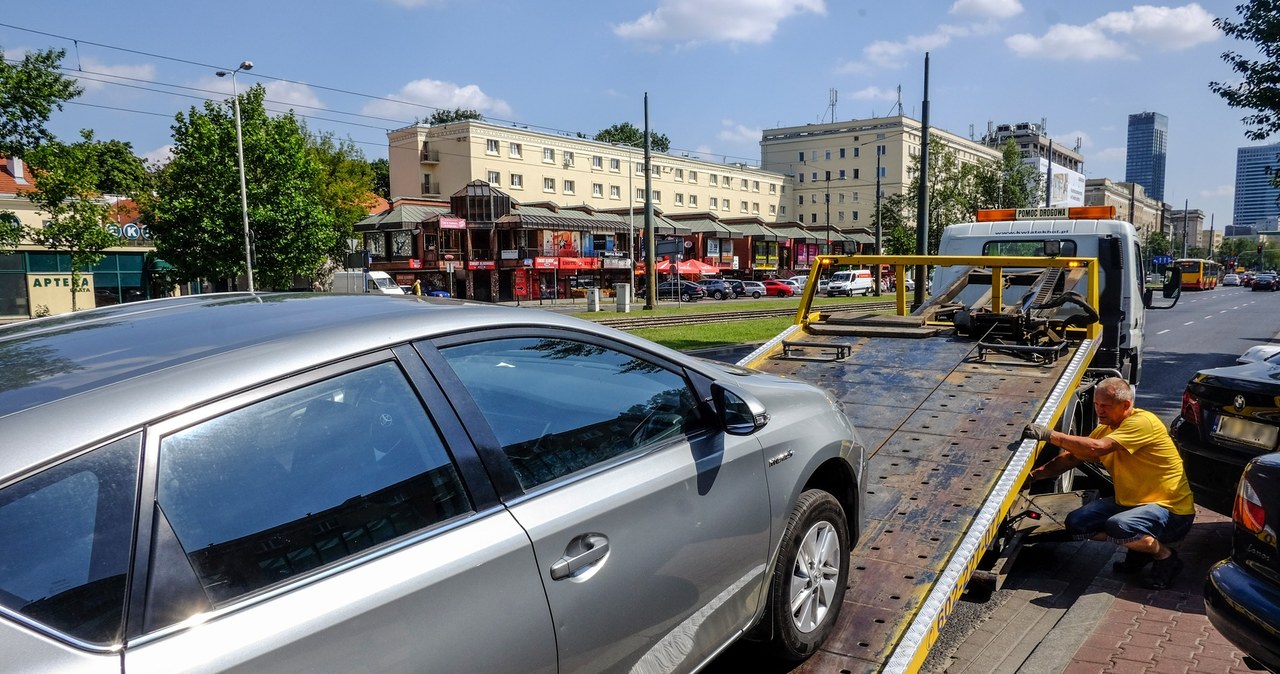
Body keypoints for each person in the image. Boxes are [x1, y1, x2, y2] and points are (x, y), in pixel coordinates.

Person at [1022, 377, 1194, 590]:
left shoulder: (1143, 423)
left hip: (1172, 511)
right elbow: (1072, 458)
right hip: (1131, 503)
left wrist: (1048, 435)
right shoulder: (1106, 428)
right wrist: (1034, 475)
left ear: (1126, 405)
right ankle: (1141, 549)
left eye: (1106, 406)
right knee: (1077, 523)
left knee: (1119, 526)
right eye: (1096, 405)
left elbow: (1096, 448)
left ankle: (1165, 556)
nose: (1099, 411)